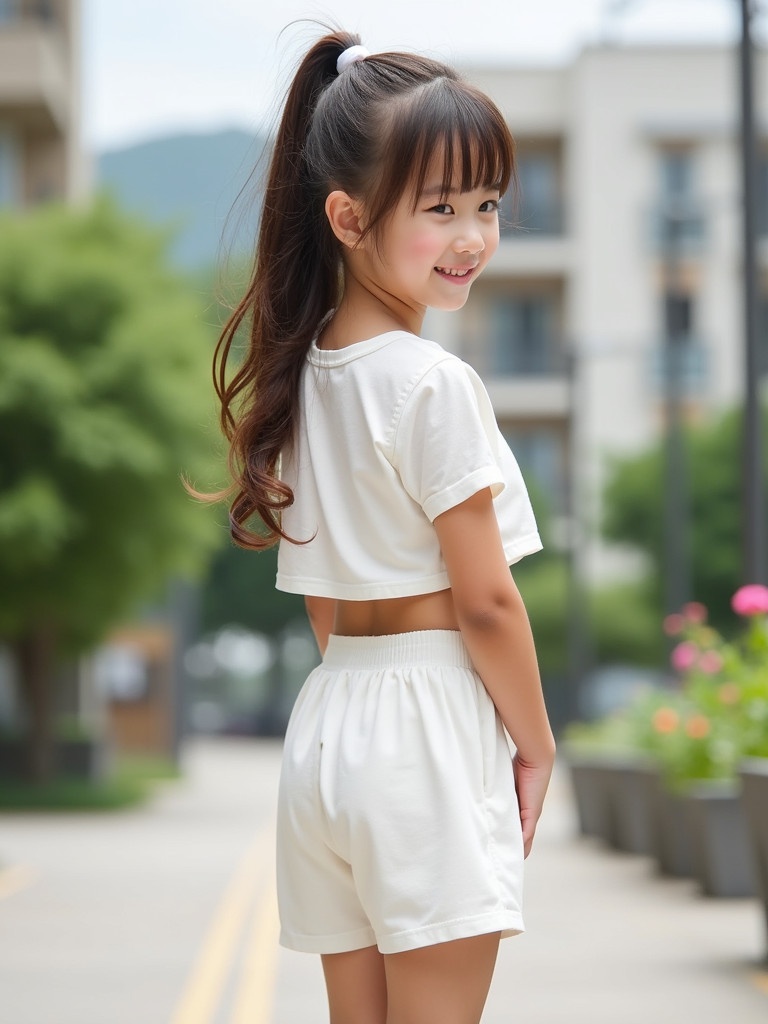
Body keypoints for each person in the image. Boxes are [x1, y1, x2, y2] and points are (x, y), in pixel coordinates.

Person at [212, 28, 556, 1024]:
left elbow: (326, 603)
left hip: (329, 730)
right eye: (439, 207)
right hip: (429, 732)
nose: (472, 236)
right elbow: (488, 602)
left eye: (486, 204)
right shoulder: (432, 384)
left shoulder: (301, 381)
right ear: (349, 217)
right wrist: (534, 744)